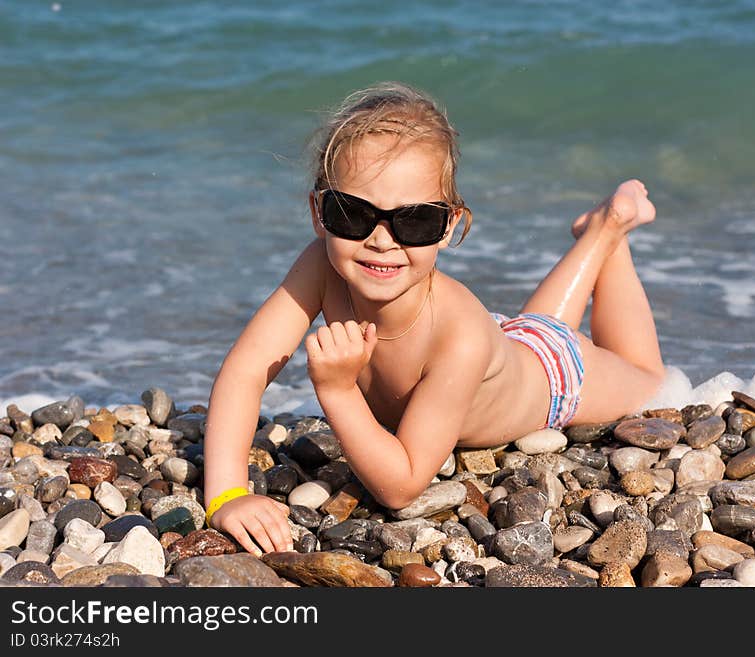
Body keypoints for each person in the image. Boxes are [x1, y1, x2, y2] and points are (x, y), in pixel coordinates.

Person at [202, 81, 665, 556]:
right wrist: (228, 494)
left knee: (650, 378)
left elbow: (401, 486)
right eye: (352, 214)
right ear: (319, 214)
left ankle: (612, 231)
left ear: (448, 226)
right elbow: (245, 368)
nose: (382, 240)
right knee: (535, 328)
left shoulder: (458, 336)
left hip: (557, 375)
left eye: (414, 221)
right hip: (509, 342)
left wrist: (338, 391)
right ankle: (599, 231)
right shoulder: (321, 263)